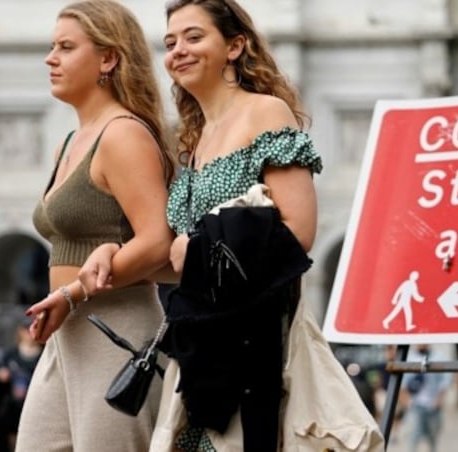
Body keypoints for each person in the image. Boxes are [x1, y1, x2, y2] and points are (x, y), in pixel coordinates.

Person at [81, 1, 322, 449]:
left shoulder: (265, 112)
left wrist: (201, 247)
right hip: (199, 349)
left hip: (253, 345)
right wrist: (113, 253)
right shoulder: (193, 139)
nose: (178, 51)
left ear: (235, 45)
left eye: (194, 37)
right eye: (171, 43)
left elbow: (298, 232)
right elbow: (182, 260)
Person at [16, 1, 175, 451]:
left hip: (116, 330)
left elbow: (158, 240)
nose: (51, 58)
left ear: (108, 58)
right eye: (52, 46)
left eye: (66, 47)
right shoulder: (69, 142)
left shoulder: (123, 134)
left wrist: (72, 293)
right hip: (68, 335)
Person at [0, 320, 43, 451]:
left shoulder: (43, 354)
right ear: (21, 332)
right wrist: (2, 376)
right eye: (27, 330)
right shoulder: (11, 354)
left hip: (34, 401)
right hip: (12, 404)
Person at [402, 344, 453, 452]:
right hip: (415, 404)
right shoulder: (409, 358)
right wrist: (407, 401)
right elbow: (403, 383)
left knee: (433, 435)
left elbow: (446, 379)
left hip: (433, 404)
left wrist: (439, 398)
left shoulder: (438, 357)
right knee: (413, 435)